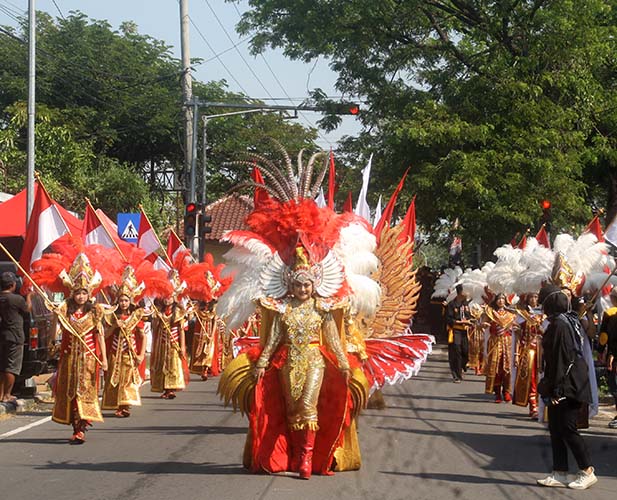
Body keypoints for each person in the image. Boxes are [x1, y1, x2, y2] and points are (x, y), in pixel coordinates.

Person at [536, 284, 597, 490]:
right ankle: (559, 472)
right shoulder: (568, 319)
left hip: (569, 384)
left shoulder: (561, 325)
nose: (540, 307)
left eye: (543, 302)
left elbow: (561, 359)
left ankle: (587, 470)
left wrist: (554, 388)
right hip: (564, 382)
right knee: (555, 427)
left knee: (568, 428)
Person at [50, 254, 108, 444]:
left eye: (84, 293)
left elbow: (99, 335)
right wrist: (54, 317)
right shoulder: (65, 310)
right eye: (78, 293)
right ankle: (76, 427)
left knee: (85, 393)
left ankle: (82, 427)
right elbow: (55, 332)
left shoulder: (95, 311)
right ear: (72, 293)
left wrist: (104, 359)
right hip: (69, 360)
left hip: (89, 361)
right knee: (71, 394)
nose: (81, 296)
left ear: (89, 294)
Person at [102, 266, 147, 418]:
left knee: (128, 380)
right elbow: (105, 336)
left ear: (130, 301)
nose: (123, 303)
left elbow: (142, 335)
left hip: (130, 353)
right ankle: (117, 405)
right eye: (121, 300)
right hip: (115, 353)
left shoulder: (136, 317)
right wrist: (115, 326)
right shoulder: (112, 317)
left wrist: (141, 354)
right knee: (115, 380)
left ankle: (125, 405)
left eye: (126, 300)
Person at [150, 270, 188, 399]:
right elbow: (154, 328)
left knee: (173, 365)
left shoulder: (178, 311)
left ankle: (172, 388)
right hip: (162, 344)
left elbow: (181, 329)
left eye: (170, 297)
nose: (167, 299)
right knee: (162, 365)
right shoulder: (158, 311)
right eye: (165, 296)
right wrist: (157, 319)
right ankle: (165, 388)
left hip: (174, 343)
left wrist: (182, 346)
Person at [0, 271, 32, 402]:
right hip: (15, 337)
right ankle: (7, 395)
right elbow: (27, 309)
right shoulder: (16, 299)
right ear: (13, 285)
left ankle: (1, 395)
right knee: (12, 368)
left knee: (2, 366)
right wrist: (29, 296)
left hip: (3, 336)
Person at [513, 292, 545, 418]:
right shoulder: (522, 315)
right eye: (531, 297)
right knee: (531, 379)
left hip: (542, 350)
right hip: (529, 351)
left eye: (536, 296)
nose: (533, 299)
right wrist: (516, 353)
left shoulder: (544, 314)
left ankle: (541, 405)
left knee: (541, 378)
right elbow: (517, 336)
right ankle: (533, 406)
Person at [482, 293, 517, 403]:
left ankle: (506, 391)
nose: (501, 301)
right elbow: (482, 323)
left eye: (503, 299)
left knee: (507, 367)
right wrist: (484, 325)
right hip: (495, 342)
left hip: (507, 343)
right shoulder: (490, 312)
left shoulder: (511, 314)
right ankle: (497, 392)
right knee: (496, 367)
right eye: (499, 299)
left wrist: (516, 328)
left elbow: (516, 325)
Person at [189, 300, 225, 380]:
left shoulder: (214, 308)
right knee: (200, 353)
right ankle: (201, 369)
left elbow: (215, 322)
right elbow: (190, 318)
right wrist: (191, 311)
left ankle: (205, 370)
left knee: (208, 353)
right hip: (199, 334)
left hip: (209, 334)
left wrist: (212, 335)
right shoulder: (198, 307)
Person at [599, 286, 617, 429]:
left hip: (614, 355)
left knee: (615, 385)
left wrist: (603, 352)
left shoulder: (610, 314)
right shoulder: (610, 313)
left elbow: (604, 337)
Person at [446, 284, 471, 383]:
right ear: (460, 292)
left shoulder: (466, 305)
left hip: (464, 331)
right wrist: (458, 322)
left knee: (465, 351)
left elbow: (469, 316)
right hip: (455, 330)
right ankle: (456, 375)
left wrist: (468, 320)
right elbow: (448, 319)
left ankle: (463, 366)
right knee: (456, 352)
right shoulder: (451, 304)